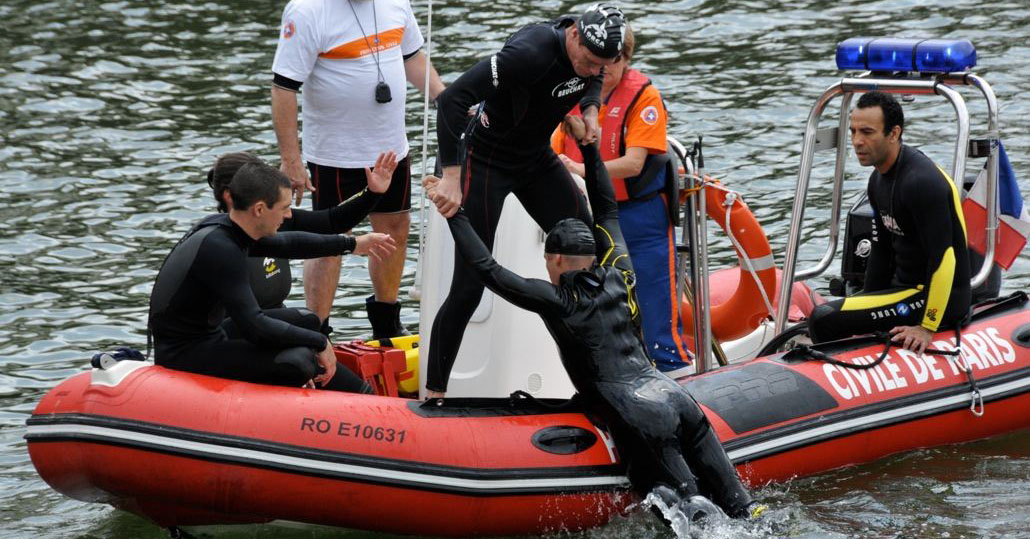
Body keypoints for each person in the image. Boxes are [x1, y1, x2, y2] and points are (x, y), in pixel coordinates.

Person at [423, 116, 763, 521]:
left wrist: (454, 214)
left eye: (547, 261)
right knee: (744, 509)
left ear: (556, 259)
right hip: (675, 398)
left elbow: (488, 270)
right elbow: (607, 209)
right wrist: (588, 146)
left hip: (638, 417)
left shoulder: (559, 299)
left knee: (692, 516)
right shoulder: (619, 271)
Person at [426, 3, 626, 397]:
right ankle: (434, 395)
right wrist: (450, 177)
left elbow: (595, 76)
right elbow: (451, 100)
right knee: (470, 287)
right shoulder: (530, 53)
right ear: (573, 35)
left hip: (534, 158)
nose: (591, 70)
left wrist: (589, 110)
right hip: (482, 161)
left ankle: (603, 380)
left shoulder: (593, 57)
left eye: (600, 64)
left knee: (590, 248)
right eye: (586, 60)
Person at [271, 0, 445, 339]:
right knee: (330, 242)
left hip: (391, 149)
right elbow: (283, 88)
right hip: (335, 156)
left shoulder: (397, 3)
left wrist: (443, 99)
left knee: (394, 227)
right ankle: (316, 331)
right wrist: (291, 160)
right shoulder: (306, 11)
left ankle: (386, 324)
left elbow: (413, 60)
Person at [150, 160, 397, 392]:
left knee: (308, 320)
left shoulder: (232, 228)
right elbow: (255, 327)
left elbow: (291, 244)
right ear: (259, 209)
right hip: (184, 353)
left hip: (212, 333)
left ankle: (358, 396)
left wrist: (352, 244)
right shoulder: (220, 249)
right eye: (285, 208)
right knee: (299, 360)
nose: (289, 216)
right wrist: (319, 342)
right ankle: (340, 405)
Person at [550, 24, 690, 374]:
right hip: (589, 214)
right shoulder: (570, 93)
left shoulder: (643, 97)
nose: (603, 70)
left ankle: (674, 369)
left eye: (612, 62)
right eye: (598, 62)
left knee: (655, 306)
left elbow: (634, 163)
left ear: (626, 60)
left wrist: (584, 171)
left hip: (642, 216)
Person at [808, 91, 971, 354]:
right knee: (821, 315)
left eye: (867, 132)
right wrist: (869, 301)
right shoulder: (878, 180)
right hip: (904, 289)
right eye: (853, 132)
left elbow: (945, 259)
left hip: (939, 301)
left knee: (825, 317)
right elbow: (882, 251)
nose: (857, 141)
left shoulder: (921, 182)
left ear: (893, 133)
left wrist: (927, 326)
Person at [207, 152, 391, 319]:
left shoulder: (272, 218)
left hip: (268, 322)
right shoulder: (222, 240)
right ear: (230, 196)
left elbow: (332, 222)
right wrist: (351, 244)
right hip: (236, 330)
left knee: (308, 325)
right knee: (308, 326)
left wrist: (373, 193)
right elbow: (295, 245)